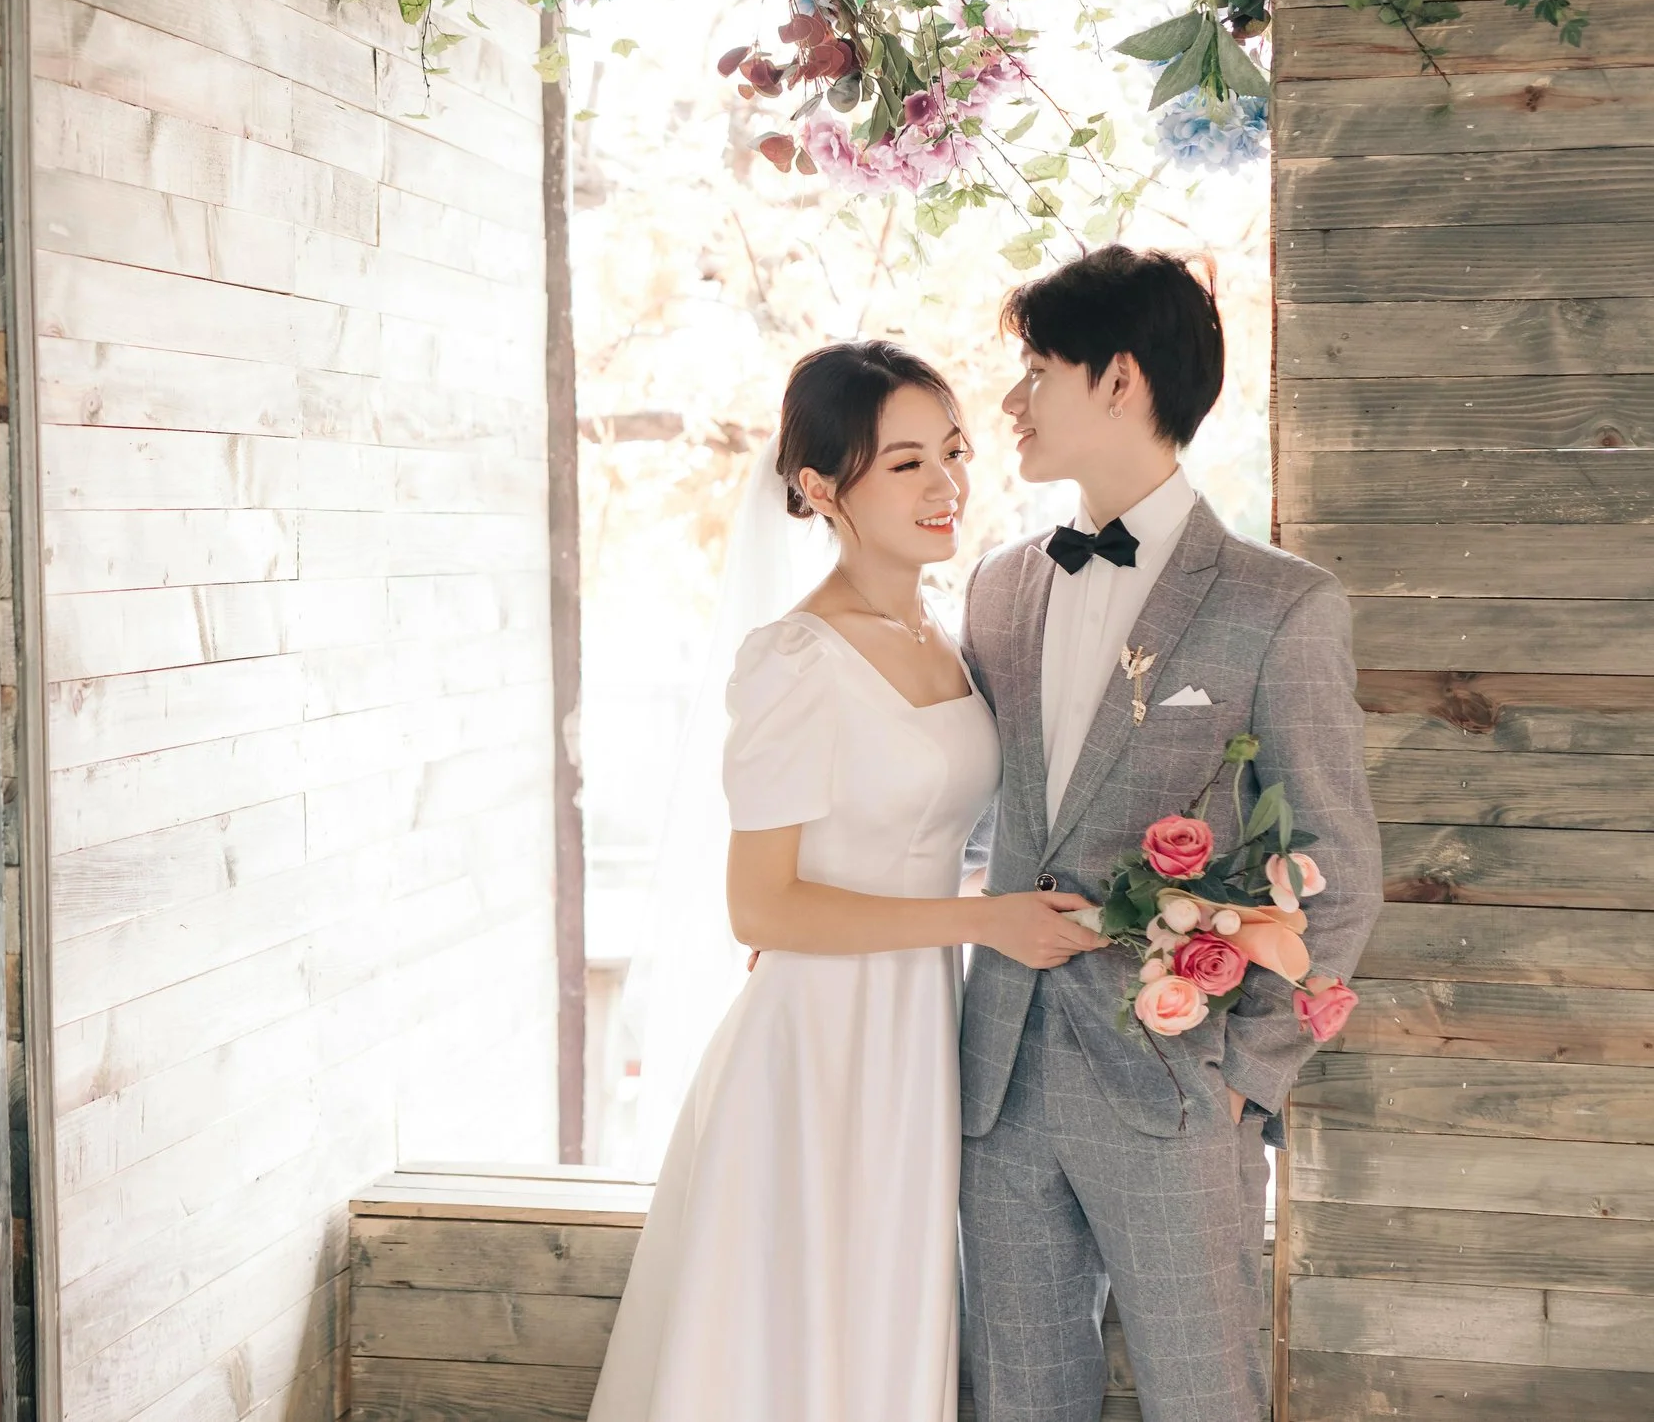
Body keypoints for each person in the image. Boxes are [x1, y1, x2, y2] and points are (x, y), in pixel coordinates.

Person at [588, 340, 1107, 1422]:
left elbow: (923, 823)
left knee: (885, 1309)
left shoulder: (948, 633)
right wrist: (980, 920)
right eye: (905, 462)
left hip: (918, 1019)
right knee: (800, 1324)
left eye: (954, 452)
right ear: (822, 485)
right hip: (818, 1036)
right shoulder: (794, 658)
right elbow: (761, 905)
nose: (947, 484)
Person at [957, 246, 1381, 1422]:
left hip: (1175, 1090)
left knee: (1205, 1399)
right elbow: (971, 818)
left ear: (1119, 380)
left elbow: (1336, 874)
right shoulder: (994, 589)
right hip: (994, 1082)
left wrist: (1242, 1082)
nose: (1010, 403)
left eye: (1035, 369)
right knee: (1016, 1400)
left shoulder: (1279, 602)